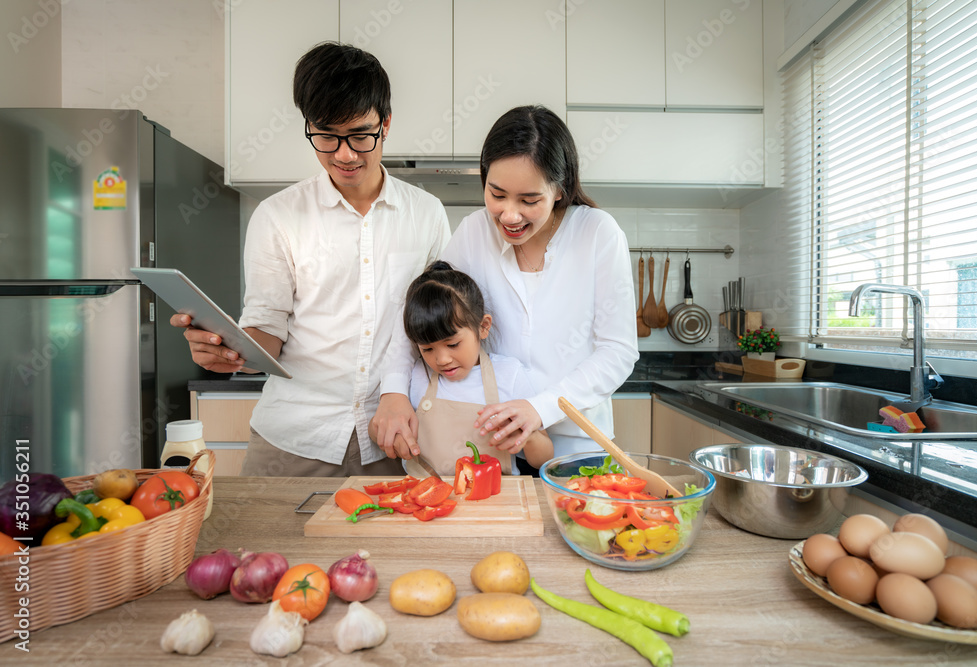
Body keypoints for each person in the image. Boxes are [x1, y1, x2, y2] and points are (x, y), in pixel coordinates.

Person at [171, 42, 451, 477]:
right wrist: (231, 349)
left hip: (396, 438)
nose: (344, 154)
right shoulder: (278, 216)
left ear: (386, 123)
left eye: (360, 135)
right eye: (325, 135)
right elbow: (267, 325)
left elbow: (435, 322)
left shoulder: (427, 214)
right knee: (257, 548)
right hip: (294, 439)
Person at [373, 105, 639, 463]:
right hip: (497, 449)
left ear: (560, 190)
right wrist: (393, 391)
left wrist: (539, 409)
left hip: (579, 445)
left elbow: (617, 352)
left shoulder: (597, 234)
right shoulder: (473, 232)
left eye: (529, 200)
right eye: (496, 195)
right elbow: (422, 309)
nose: (509, 216)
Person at [369, 261, 553, 476]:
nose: (442, 359)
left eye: (452, 344)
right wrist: (393, 435)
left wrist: (528, 438)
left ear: (483, 327)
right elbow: (376, 427)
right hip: (428, 499)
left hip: (494, 499)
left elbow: (545, 458)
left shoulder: (509, 374)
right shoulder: (417, 375)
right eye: (427, 349)